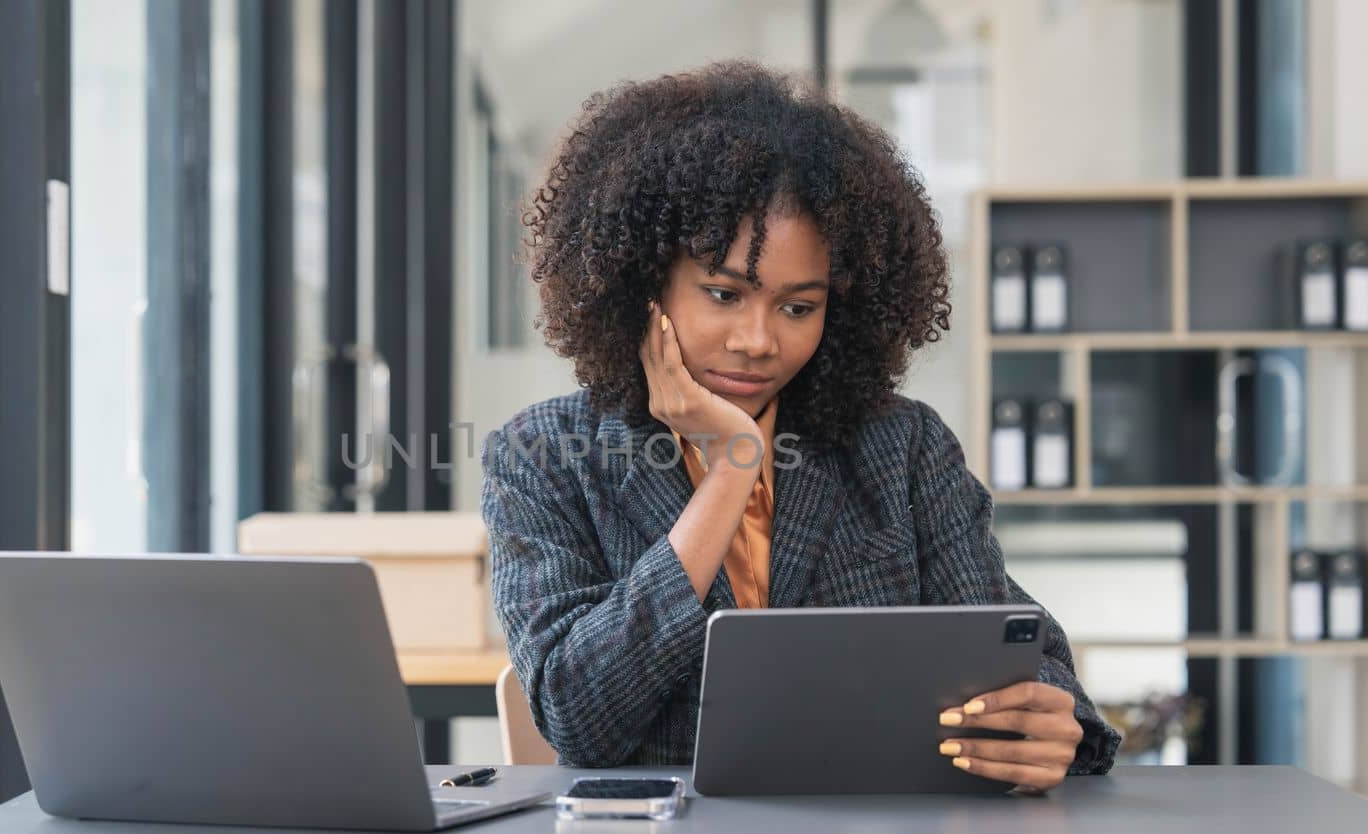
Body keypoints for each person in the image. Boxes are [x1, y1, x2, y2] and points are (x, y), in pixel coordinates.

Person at [480, 61, 1120, 790]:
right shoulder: (545, 456)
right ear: (642, 283)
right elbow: (578, 718)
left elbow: (1016, 645)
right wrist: (731, 469)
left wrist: (1050, 719)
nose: (759, 340)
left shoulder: (900, 447)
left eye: (797, 307)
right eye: (724, 294)